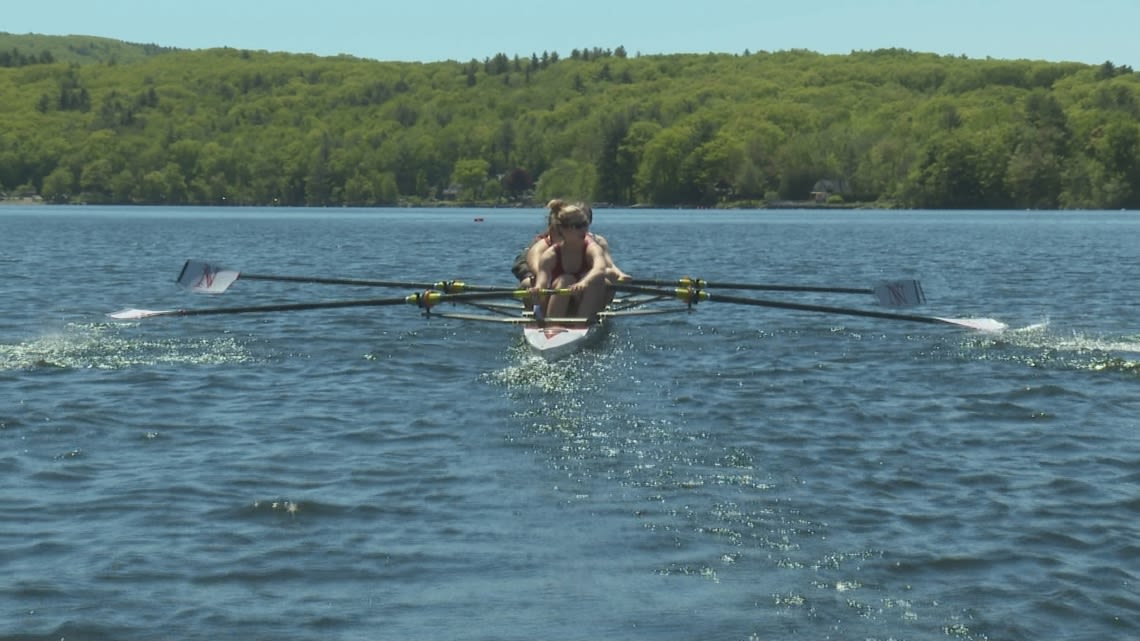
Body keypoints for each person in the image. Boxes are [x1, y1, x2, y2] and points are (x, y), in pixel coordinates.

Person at [531, 201, 611, 320]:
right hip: (558, 298)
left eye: (585, 224)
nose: (584, 230)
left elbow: (600, 268)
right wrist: (537, 290)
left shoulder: (592, 248)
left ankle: (581, 324)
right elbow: (542, 281)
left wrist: (584, 282)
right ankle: (553, 326)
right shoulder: (550, 255)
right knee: (566, 280)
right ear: (563, 229)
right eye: (577, 226)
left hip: (584, 298)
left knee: (597, 281)